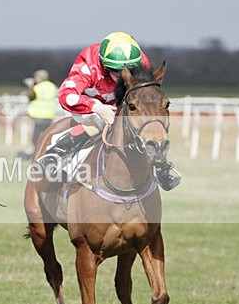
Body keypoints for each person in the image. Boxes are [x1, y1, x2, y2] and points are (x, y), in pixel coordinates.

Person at [38, 31, 181, 191]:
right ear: (104, 64)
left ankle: (160, 165)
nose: (120, 75)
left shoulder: (140, 61)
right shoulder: (89, 64)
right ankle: (56, 153)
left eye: (125, 70)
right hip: (88, 104)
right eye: (114, 70)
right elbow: (66, 95)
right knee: (99, 122)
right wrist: (97, 107)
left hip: (124, 103)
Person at [24, 69, 58, 156]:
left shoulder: (37, 87)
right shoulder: (52, 86)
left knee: (36, 138)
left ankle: (39, 154)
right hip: (49, 116)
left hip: (38, 116)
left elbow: (31, 97)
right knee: (46, 137)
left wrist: (30, 86)